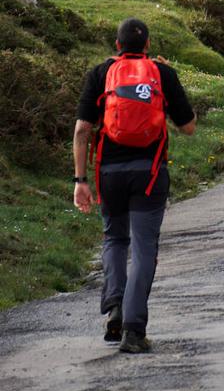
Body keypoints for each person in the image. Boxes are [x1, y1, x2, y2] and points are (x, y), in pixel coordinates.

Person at [73, 18, 196, 353]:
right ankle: (133, 329)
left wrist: (80, 180)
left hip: (110, 173)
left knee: (115, 237)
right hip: (150, 173)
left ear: (117, 45)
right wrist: (170, 81)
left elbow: (83, 130)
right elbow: (188, 127)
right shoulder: (162, 74)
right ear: (148, 45)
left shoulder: (101, 74)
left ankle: (115, 305)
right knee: (143, 248)